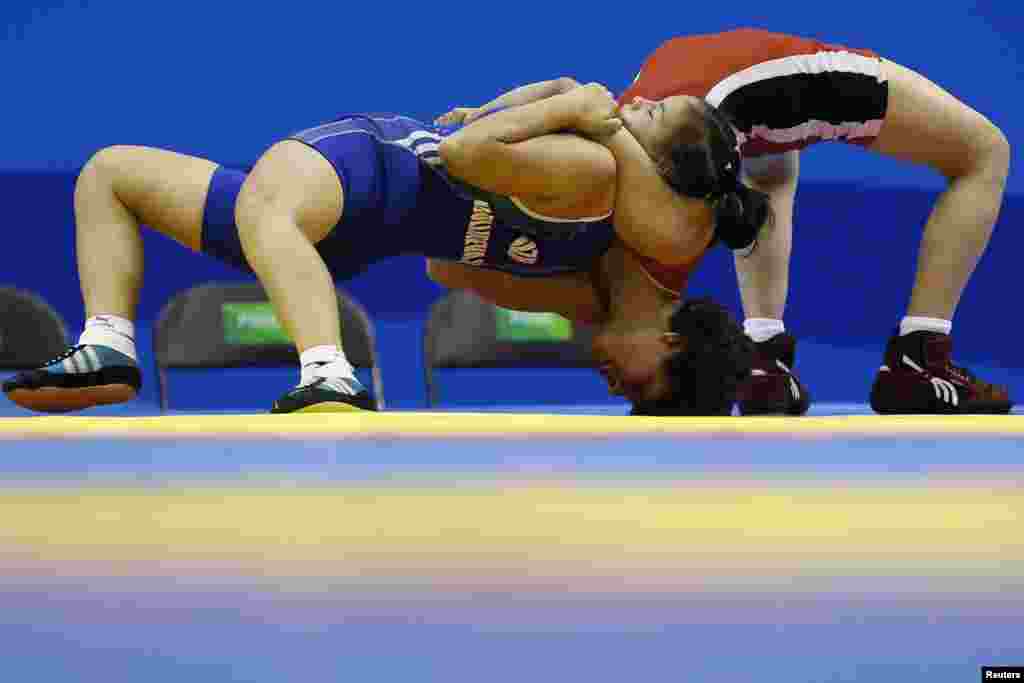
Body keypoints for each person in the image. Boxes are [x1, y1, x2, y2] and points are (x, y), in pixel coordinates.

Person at [3, 80, 759, 415]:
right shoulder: (602, 177)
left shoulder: (588, 277)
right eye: (633, 384)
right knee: (246, 199)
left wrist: (530, 107)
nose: (609, 381)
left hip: (361, 236)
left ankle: (109, 345)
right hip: (373, 160)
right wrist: (578, 113)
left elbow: (446, 265)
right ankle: (323, 371)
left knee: (114, 175)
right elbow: (461, 153)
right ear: (667, 341)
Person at [616, 28, 1012, 415]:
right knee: (986, 153)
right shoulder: (638, 138)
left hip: (791, 78)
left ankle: (908, 362)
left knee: (982, 152)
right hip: (726, 80)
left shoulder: (651, 157)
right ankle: (774, 360)